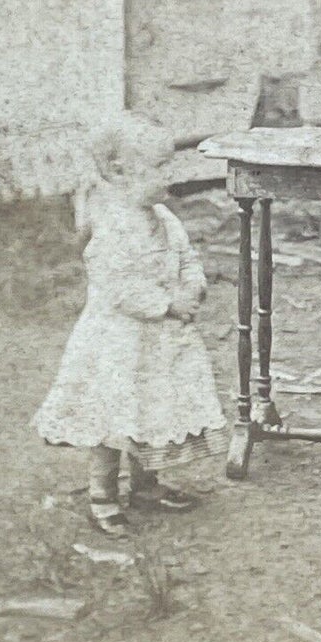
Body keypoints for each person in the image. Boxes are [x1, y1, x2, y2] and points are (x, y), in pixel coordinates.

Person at [33, 113, 225, 536]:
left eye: (169, 164)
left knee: (150, 413)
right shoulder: (112, 228)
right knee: (112, 421)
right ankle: (102, 495)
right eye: (160, 166)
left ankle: (145, 485)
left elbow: (187, 257)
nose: (170, 175)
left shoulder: (164, 219)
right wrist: (166, 304)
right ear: (118, 172)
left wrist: (193, 286)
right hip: (119, 344)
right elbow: (117, 287)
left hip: (158, 343)